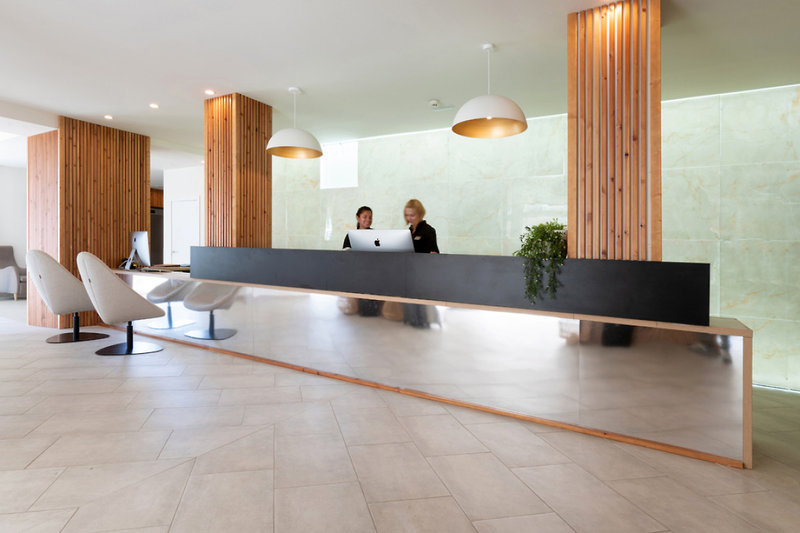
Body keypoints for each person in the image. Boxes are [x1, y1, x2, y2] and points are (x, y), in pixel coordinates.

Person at [403, 199, 438, 327]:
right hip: (410, 271)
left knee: (421, 301)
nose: (409, 218)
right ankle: (412, 321)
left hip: (423, 273)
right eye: (407, 215)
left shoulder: (428, 231)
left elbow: (434, 253)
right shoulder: (407, 232)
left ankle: (422, 323)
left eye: (412, 215)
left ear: (420, 214)